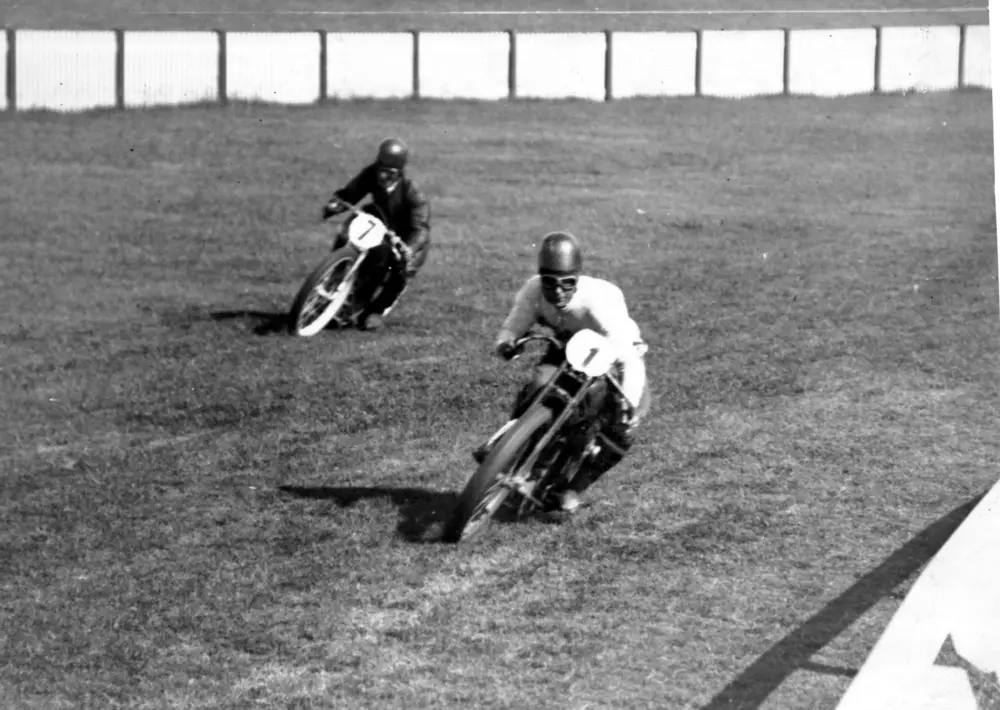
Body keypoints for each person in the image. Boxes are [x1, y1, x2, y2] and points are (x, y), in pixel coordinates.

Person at [473, 231, 651, 512]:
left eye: (567, 284)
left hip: (617, 354)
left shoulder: (597, 304)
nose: (557, 291)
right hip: (569, 345)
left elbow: (628, 359)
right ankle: (506, 443)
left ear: (577, 279)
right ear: (539, 277)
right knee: (538, 386)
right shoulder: (532, 291)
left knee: (619, 433)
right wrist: (505, 343)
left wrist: (628, 402)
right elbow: (513, 326)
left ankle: (570, 490)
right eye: (549, 282)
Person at [322, 137, 431, 331]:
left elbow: (420, 228)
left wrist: (409, 249)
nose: (382, 176)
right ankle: (332, 276)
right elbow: (350, 194)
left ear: (399, 173)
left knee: (399, 271)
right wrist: (335, 205)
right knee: (351, 234)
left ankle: (375, 311)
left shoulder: (413, 193)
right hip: (381, 224)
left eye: (389, 173)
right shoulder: (370, 174)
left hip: (406, 238)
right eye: (381, 169)